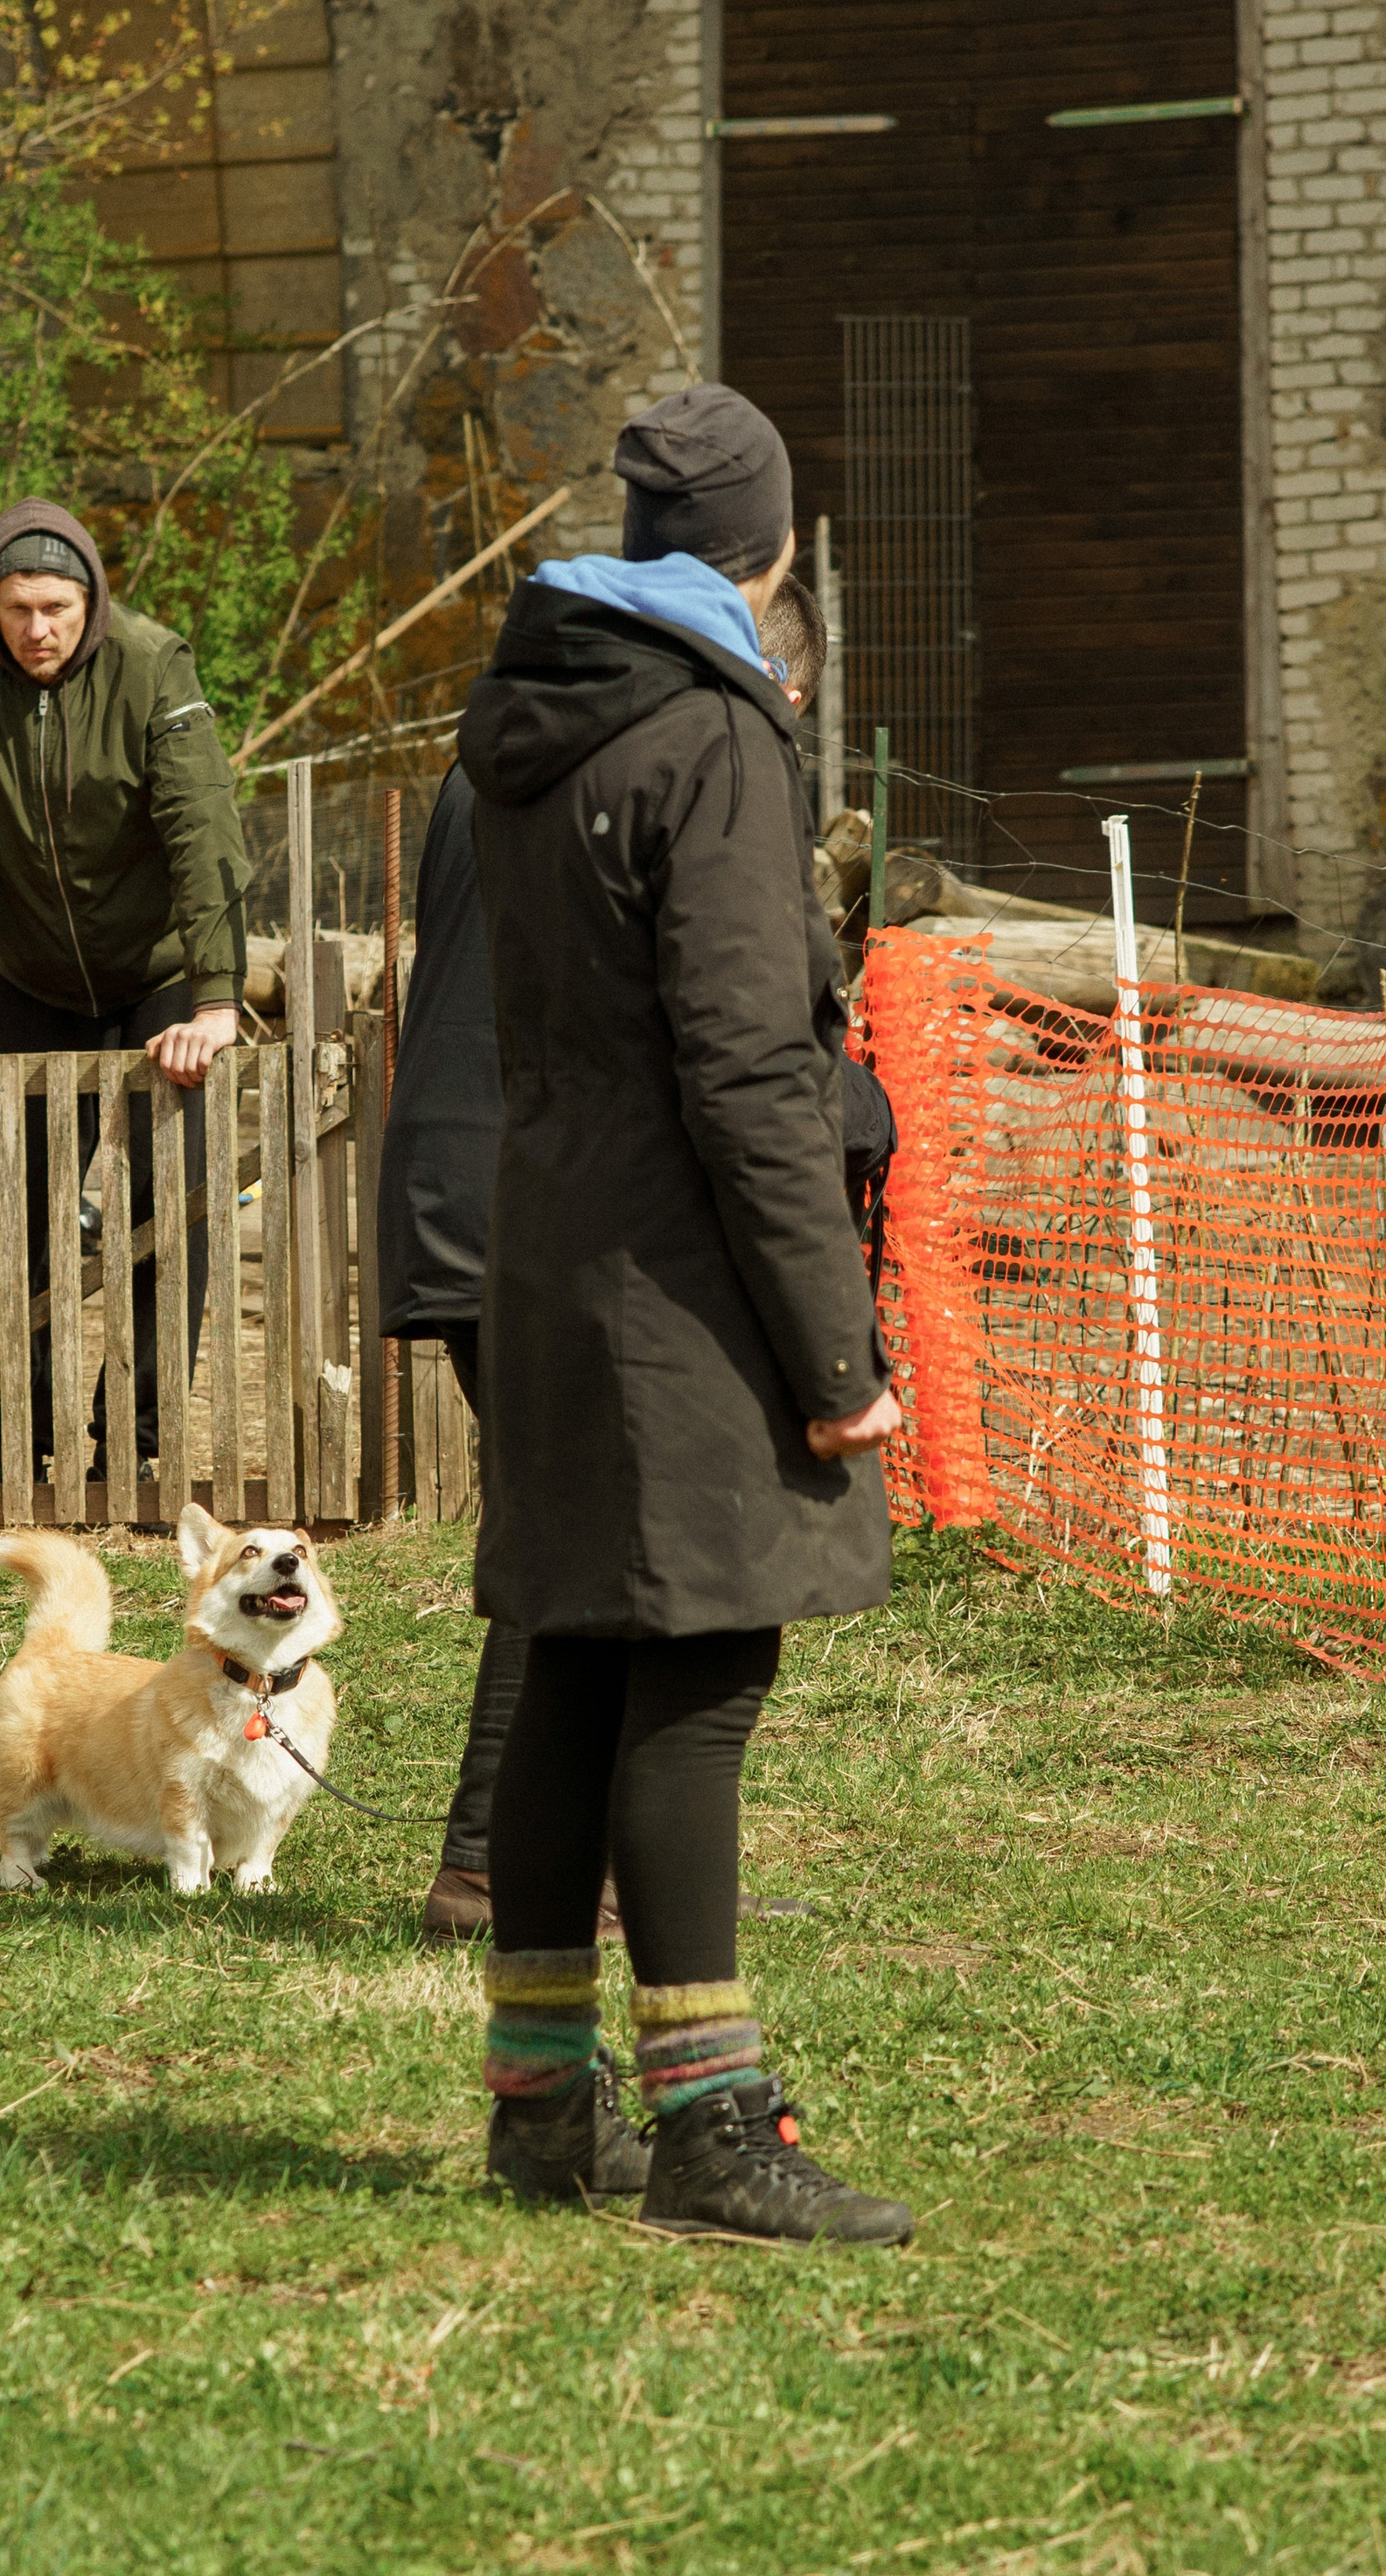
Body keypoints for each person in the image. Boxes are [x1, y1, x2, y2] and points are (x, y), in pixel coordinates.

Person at [457, 385, 910, 2242]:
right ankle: (713, 2131)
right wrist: (834, 1353)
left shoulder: (529, 716)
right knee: (698, 1678)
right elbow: (747, 1072)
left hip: (551, 1247)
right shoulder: (713, 740)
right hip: (678, 1277)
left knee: (575, 1661)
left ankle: (538, 2106)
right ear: (770, 547)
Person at [386, 573, 832, 1946]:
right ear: (777, 677)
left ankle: (561, 1869)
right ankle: (492, 1872)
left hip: (471, 1176)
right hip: (559, 1200)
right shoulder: (667, 760)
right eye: (788, 702)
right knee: (581, 1558)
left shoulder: (506, 745)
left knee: (571, 1541)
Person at [0, 501, 248, 1477]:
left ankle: (136, 1445)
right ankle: (12, 1441)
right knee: (7, 1217)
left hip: (159, 978)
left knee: (169, 1215)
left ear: (90, 600)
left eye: (55, 606)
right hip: (33, 978)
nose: (36, 629)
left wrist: (214, 998)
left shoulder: (151, 662)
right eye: (16, 607)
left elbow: (201, 827)